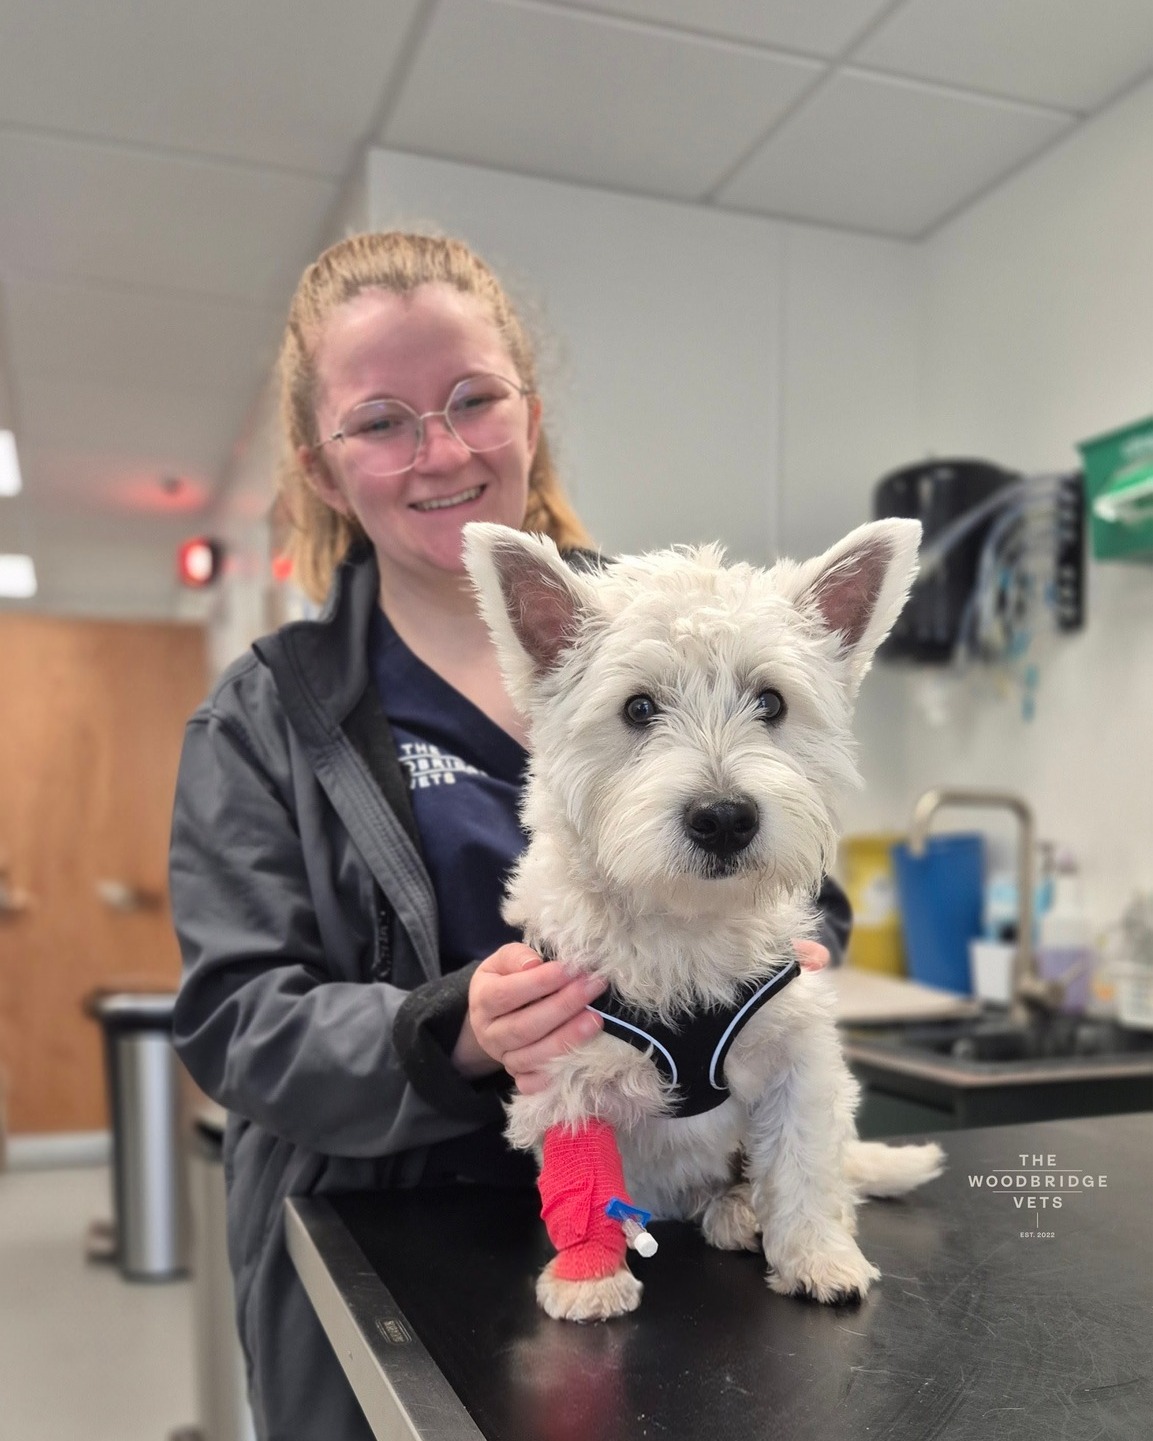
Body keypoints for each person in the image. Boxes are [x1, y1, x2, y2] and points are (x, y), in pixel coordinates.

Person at [169, 231, 851, 1441]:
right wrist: (451, 1031)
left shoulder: (674, 625)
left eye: (473, 399)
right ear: (325, 471)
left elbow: (783, 824)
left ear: (528, 414)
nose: (440, 450)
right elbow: (239, 1025)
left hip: (674, 1242)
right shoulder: (269, 714)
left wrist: (809, 935)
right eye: (380, 420)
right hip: (399, 1244)